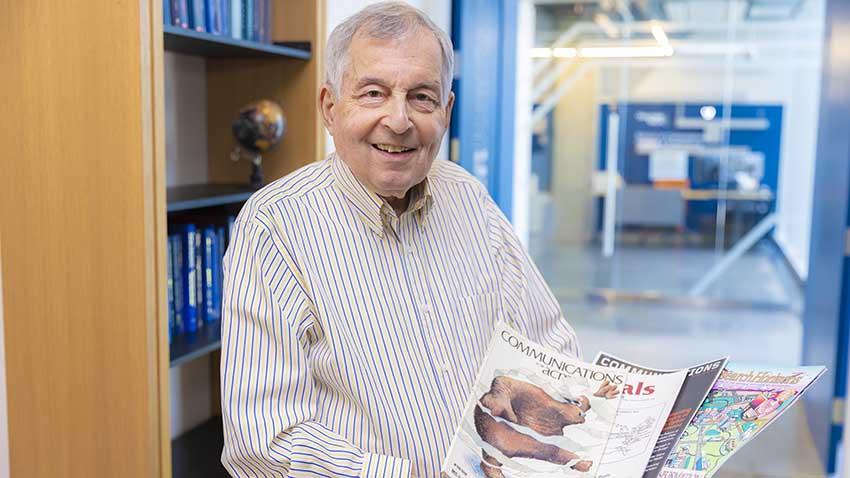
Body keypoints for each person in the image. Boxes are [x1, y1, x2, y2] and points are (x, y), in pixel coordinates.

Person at [219, 2, 580, 477]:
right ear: (330, 106)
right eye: (373, 93)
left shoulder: (469, 198)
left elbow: (547, 343)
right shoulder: (273, 227)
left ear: (446, 111)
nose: (399, 120)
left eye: (422, 97)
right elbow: (263, 441)